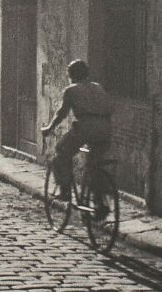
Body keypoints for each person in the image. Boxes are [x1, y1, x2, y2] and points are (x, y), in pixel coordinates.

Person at [41, 60, 113, 212]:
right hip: (105, 129)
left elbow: (61, 113)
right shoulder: (98, 87)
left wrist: (48, 128)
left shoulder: (71, 90)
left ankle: (65, 191)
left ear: (72, 75)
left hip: (86, 127)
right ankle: (99, 200)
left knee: (61, 150)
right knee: (94, 163)